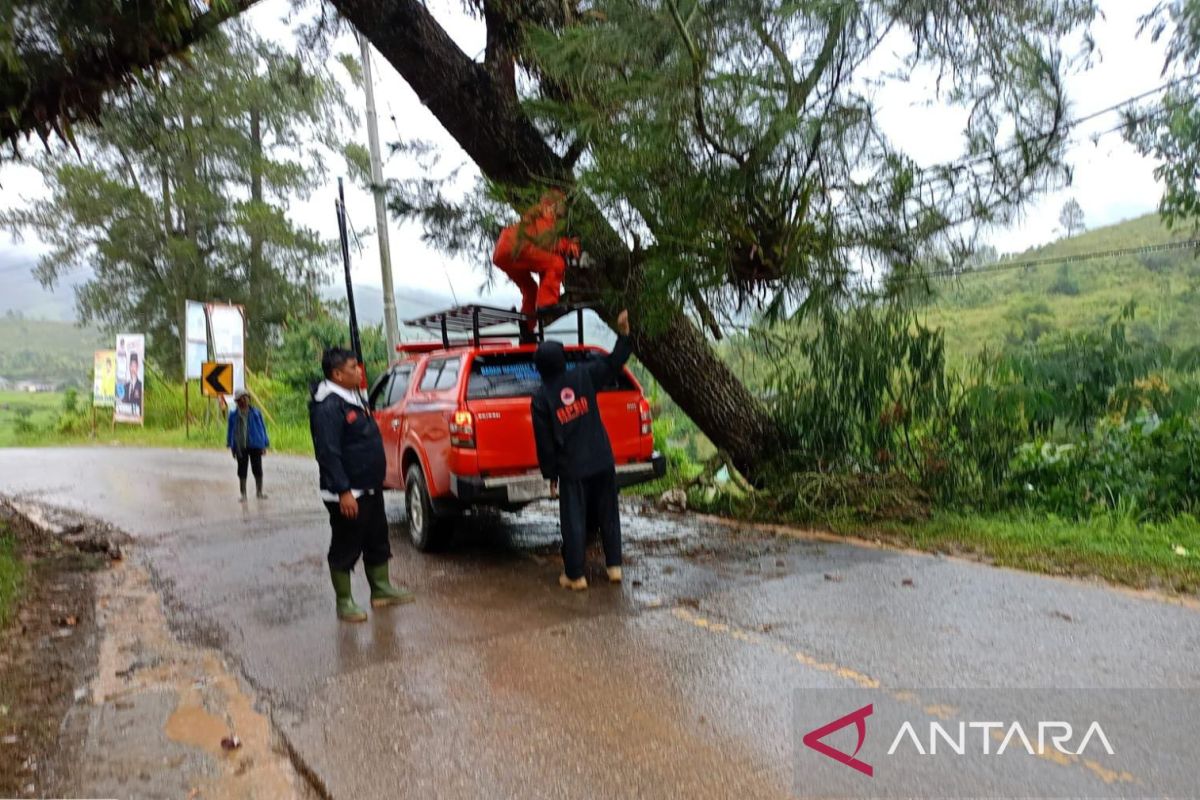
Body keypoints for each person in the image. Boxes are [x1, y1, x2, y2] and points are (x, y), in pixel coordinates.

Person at [310, 347, 413, 622]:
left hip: (369, 486)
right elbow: (328, 452)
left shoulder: (353, 397)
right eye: (353, 367)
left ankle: (381, 589)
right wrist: (343, 491)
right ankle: (344, 602)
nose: (360, 371)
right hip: (348, 492)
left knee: (377, 539)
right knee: (346, 545)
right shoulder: (328, 405)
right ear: (337, 373)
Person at [531, 309, 632, 590]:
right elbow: (614, 362)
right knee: (608, 513)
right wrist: (624, 334)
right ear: (562, 361)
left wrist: (550, 475)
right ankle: (614, 567)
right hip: (601, 458)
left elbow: (545, 444)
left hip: (572, 468)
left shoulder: (541, 398)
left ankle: (575, 575)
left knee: (574, 520)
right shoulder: (583, 376)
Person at [492, 189, 580, 342]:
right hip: (516, 249)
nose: (565, 209)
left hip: (503, 253)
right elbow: (546, 241)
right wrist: (570, 245)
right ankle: (547, 305)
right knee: (556, 262)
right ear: (554, 204)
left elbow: (541, 255)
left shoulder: (534, 215)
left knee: (530, 288)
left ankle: (526, 330)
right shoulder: (545, 213)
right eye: (564, 204)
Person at [226, 388, 269, 502]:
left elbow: (262, 429)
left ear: (248, 399)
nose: (244, 400)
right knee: (242, 470)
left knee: (257, 468)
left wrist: (264, 444)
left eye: (245, 398)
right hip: (240, 445)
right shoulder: (233, 415)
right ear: (237, 401)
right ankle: (243, 494)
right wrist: (231, 446)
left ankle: (259, 492)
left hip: (255, 444)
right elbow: (230, 431)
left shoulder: (256, 412)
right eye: (241, 399)